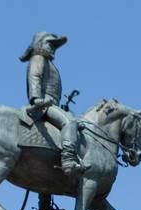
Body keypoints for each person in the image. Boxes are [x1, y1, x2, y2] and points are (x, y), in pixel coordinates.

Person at [19, 31, 86, 176]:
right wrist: (36, 98)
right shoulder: (38, 58)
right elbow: (35, 76)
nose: (53, 48)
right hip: (44, 105)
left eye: (54, 46)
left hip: (52, 104)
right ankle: (68, 159)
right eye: (50, 44)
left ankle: (45, 198)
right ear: (39, 44)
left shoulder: (48, 63)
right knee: (69, 122)